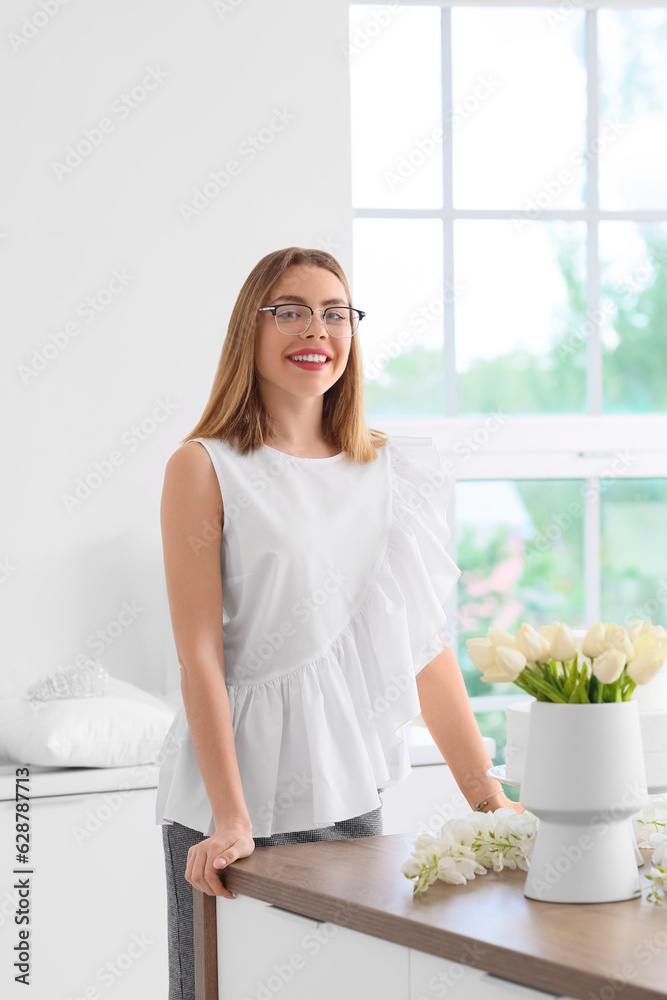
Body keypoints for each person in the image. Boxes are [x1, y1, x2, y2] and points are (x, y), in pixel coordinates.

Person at [155, 246, 523, 1000]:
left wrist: (487, 800)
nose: (313, 328)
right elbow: (198, 656)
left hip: (347, 792)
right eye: (287, 309)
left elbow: (423, 649)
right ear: (247, 332)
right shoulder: (204, 466)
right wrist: (230, 817)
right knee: (217, 988)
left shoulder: (387, 470)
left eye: (333, 312)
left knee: (339, 985)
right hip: (228, 801)